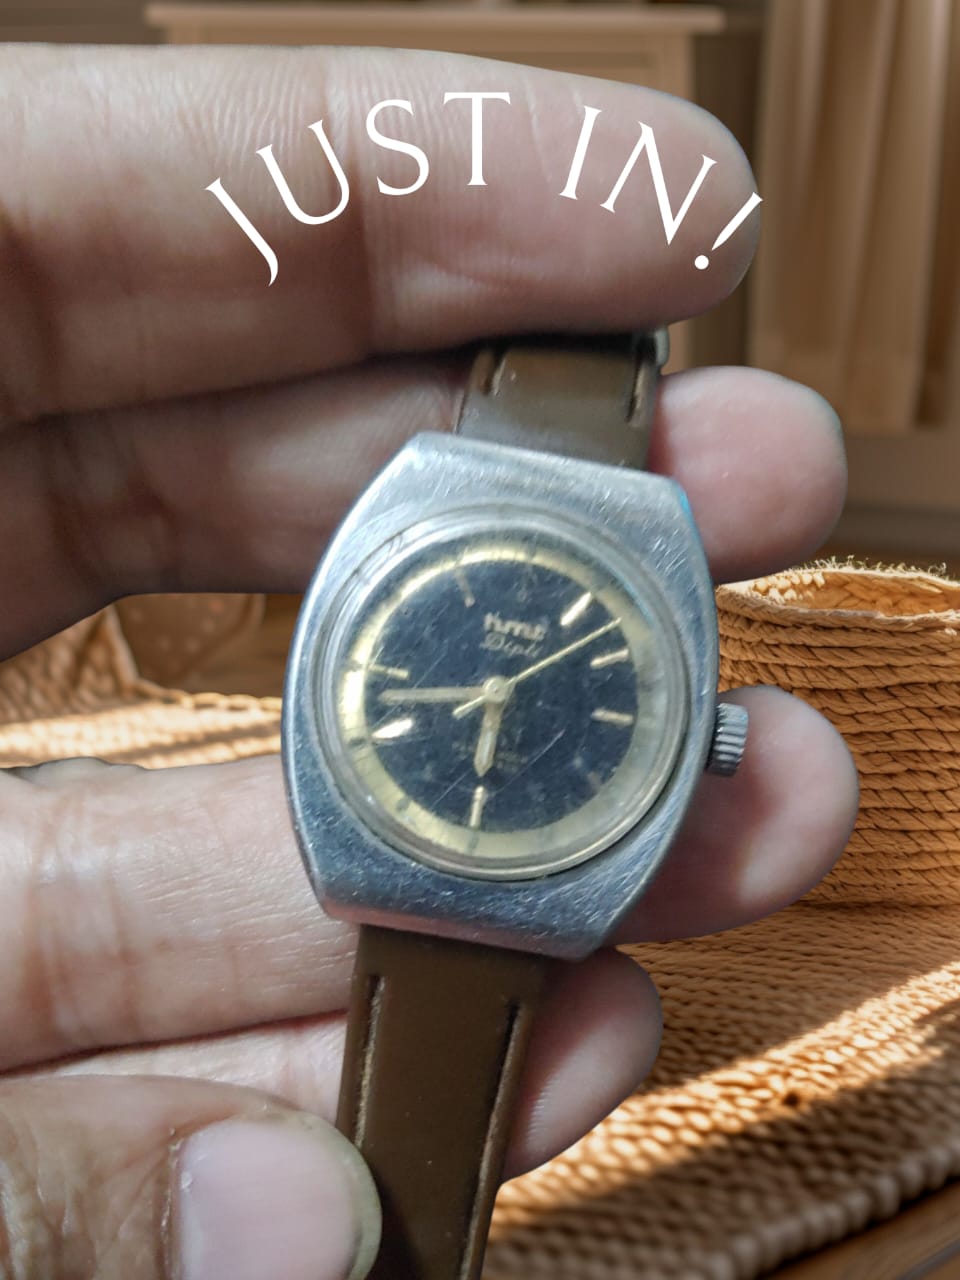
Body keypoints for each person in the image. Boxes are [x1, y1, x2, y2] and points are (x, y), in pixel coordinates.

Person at [0, 42, 858, 1280]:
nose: (499, 686)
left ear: (695, 739)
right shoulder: (438, 516)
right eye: (490, 679)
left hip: (513, 850)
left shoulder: (519, 545)